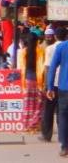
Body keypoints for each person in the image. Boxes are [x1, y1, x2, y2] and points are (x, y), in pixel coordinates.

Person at [42, 26, 68, 155]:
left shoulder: (61, 47)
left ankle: (65, 147)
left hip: (64, 87)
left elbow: (52, 68)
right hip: (63, 87)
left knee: (63, 116)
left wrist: (50, 87)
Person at [17, 30, 45, 135]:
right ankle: (35, 124)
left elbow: (20, 67)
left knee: (27, 103)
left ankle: (26, 125)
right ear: (37, 40)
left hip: (27, 80)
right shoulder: (41, 51)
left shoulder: (23, 52)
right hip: (38, 81)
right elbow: (43, 67)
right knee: (38, 104)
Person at [43, 29, 61, 142]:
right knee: (62, 110)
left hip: (52, 84)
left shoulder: (50, 48)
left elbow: (47, 68)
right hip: (64, 84)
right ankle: (62, 135)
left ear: (55, 36)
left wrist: (46, 84)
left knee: (49, 110)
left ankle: (47, 135)